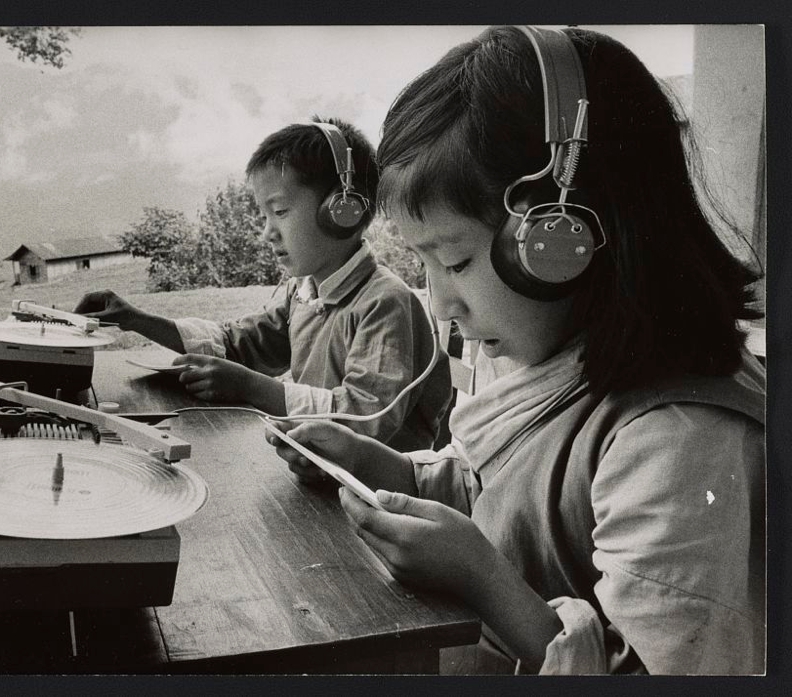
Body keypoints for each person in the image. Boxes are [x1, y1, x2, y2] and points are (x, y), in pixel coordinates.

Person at [267, 27, 765, 675]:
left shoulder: (679, 438)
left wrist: (480, 574)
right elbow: (502, 485)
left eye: (454, 259)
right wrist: (387, 466)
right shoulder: (554, 352)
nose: (438, 302)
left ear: (559, 241)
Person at [76, 117, 452, 452]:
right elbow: (239, 344)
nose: (267, 233)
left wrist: (250, 387)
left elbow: (365, 417)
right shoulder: (304, 292)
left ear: (342, 211)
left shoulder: (385, 302)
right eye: (264, 214)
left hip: (382, 499)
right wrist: (135, 319)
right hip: (322, 476)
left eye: (281, 212)